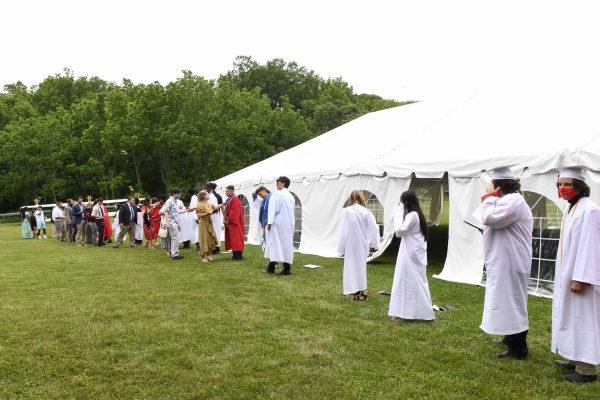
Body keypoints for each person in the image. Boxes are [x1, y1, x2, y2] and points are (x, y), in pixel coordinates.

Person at [474, 167, 533, 359]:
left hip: (512, 260)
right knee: (506, 299)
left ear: (498, 187)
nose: (488, 189)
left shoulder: (513, 201)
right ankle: (510, 338)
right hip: (506, 259)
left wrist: (488, 198)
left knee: (513, 301)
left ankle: (518, 349)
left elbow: (490, 218)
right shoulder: (508, 200)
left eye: (491, 185)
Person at [552, 167, 600, 383]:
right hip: (568, 274)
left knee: (583, 318)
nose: (563, 188)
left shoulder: (590, 210)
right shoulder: (573, 208)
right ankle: (574, 356)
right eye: (560, 184)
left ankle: (587, 370)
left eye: (568, 184)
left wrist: (580, 278)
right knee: (570, 316)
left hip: (581, 277)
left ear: (580, 186)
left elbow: (591, 246)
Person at [388, 191, 435, 321]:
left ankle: (407, 313)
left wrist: (398, 213)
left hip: (410, 254)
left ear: (406, 203)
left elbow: (399, 231)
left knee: (408, 281)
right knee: (414, 281)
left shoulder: (412, 215)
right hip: (414, 252)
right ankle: (413, 312)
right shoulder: (417, 215)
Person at [337, 191, 380, 300]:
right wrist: (375, 244)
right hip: (362, 243)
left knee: (351, 267)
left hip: (351, 243)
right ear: (362, 198)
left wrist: (340, 246)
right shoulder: (367, 212)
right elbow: (373, 229)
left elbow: (342, 230)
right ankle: (362, 291)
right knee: (361, 267)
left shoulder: (346, 211)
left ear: (351, 198)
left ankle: (354, 291)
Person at [265, 176, 295, 275]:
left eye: (278, 182)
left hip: (278, 223)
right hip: (289, 223)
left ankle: (271, 267)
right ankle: (287, 268)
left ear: (283, 183)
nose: (276, 184)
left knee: (275, 244)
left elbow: (273, 209)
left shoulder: (277, 194)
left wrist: (269, 222)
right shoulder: (290, 196)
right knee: (286, 245)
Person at [196, 190, 223, 262]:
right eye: (207, 195)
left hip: (209, 222)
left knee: (212, 238)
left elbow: (216, 207)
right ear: (204, 196)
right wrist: (208, 213)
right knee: (204, 239)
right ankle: (203, 257)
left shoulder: (209, 203)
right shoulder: (199, 204)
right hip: (203, 223)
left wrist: (223, 204)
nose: (208, 196)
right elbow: (199, 215)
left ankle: (208, 255)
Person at [160, 189, 184, 260]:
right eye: (178, 194)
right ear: (174, 194)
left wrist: (177, 223)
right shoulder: (170, 201)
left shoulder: (174, 201)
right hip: (171, 222)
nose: (180, 195)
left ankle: (174, 253)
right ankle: (174, 254)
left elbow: (175, 213)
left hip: (174, 222)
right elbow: (166, 211)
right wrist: (167, 222)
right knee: (175, 238)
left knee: (175, 238)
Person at [223, 185, 245, 260]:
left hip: (235, 223)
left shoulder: (235, 200)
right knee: (233, 240)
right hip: (230, 222)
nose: (226, 193)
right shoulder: (229, 199)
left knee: (237, 240)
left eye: (227, 191)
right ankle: (235, 255)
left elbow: (234, 212)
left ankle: (238, 255)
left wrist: (228, 219)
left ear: (231, 191)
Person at [206, 182, 224, 252]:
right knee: (216, 231)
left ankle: (214, 247)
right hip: (216, 215)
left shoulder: (212, 196)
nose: (205, 189)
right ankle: (216, 247)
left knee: (213, 231)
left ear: (210, 188)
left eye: (206, 187)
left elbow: (214, 207)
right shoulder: (218, 195)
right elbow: (222, 207)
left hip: (213, 215)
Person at [256, 186, 272, 263]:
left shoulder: (271, 197)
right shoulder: (265, 199)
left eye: (260, 194)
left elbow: (269, 212)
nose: (260, 196)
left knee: (270, 242)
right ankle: (270, 259)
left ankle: (272, 259)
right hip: (265, 223)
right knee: (266, 241)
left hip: (269, 224)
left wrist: (268, 223)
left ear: (264, 190)